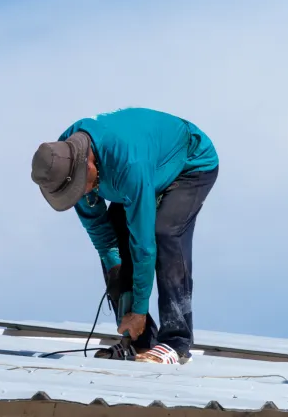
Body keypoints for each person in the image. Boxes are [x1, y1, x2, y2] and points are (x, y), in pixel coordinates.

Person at [31, 108, 218, 364]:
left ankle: (177, 343)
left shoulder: (129, 166)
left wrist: (138, 309)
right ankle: (140, 342)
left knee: (165, 233)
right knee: (116, 250)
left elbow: (144, 246)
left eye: (79, 187)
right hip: (137, 169)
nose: (82, 195)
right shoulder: (62, 158)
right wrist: (117, 276)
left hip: (189, 163)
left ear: (88, 164)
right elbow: (102, 235)